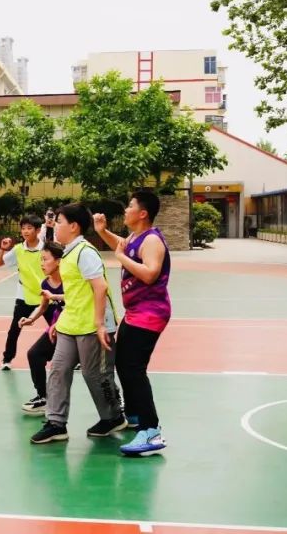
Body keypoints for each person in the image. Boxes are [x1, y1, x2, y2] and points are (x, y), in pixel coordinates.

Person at [31, 203, 125, 444]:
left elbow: (100, 287)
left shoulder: (85, 252)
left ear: (73, 227)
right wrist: (58, 321)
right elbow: (75, 292)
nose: (55, 225)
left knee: (95, 375)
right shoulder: (68, 252)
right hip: (70, 324)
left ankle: (113, 416)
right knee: (58, 371)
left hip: (92, 326)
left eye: (59, 221)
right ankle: (56, 423)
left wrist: (100, 324)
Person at [94, 191, 173, 456]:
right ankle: (137, 416)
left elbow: (150, 273)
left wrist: (121, 258)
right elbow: (122, 246)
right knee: (124, 364)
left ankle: (151, 431)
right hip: (136, 312)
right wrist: (102, 232)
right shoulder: (136, 238)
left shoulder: (151, 240)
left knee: (133, 368)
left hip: (151, 313)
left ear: (143, 213)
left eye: (130, 206)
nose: (125, 210)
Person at [16, 241, 65, 415]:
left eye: (45, 259)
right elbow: (43, 306)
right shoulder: (46, 283)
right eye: (41, 260)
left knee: (94, 371)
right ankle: (43, 396)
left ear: (58, 261)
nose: (42, 264)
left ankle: (113, 405)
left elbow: (78, 299)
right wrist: (30, 319)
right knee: (34, 354)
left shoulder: (70, 279)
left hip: (75, 327)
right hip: (56, 328)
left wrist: (57, 297)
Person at [0, 215, 45, 370]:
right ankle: (7, 359)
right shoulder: (18, 249)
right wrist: (3, 249)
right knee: (14, 329)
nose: (25, 231)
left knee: (60, 327)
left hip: (46, 295)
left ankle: (74, 358)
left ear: (37, 230)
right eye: (23, 228)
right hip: (24, 294)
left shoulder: (46, 248)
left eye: (29, 228)